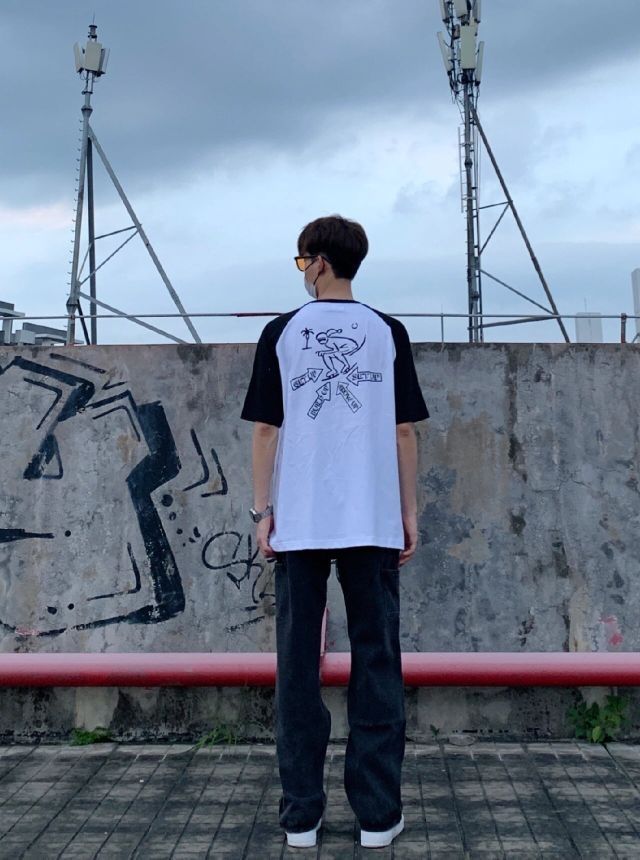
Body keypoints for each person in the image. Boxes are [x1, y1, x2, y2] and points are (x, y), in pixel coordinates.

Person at [240, 215, 429, 849]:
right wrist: (408, 511)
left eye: (302, 262)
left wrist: (263, 510)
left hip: (300, 523)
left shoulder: (281, 333)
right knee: (378, 662)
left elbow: (265, 430)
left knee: (296, 667)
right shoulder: (387, 331)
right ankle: (377, 816)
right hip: (372, 520)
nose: (302, 272)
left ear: (320, 261)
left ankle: (302, 816)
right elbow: (404, 430)